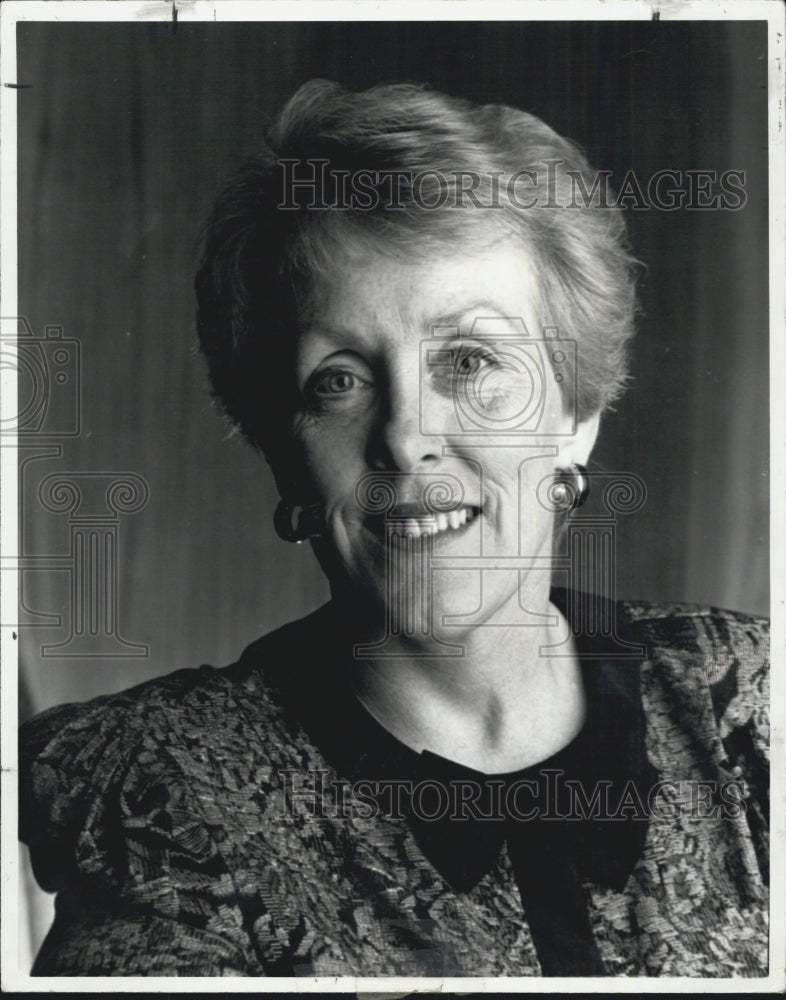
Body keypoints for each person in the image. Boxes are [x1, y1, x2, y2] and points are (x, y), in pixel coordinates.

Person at [19, 80, 769, 977]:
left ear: (576, 412)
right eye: (338, 379)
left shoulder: (751, 711)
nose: (407, 438)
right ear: (284, 453)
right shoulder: (171, 797)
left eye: (469, 360)